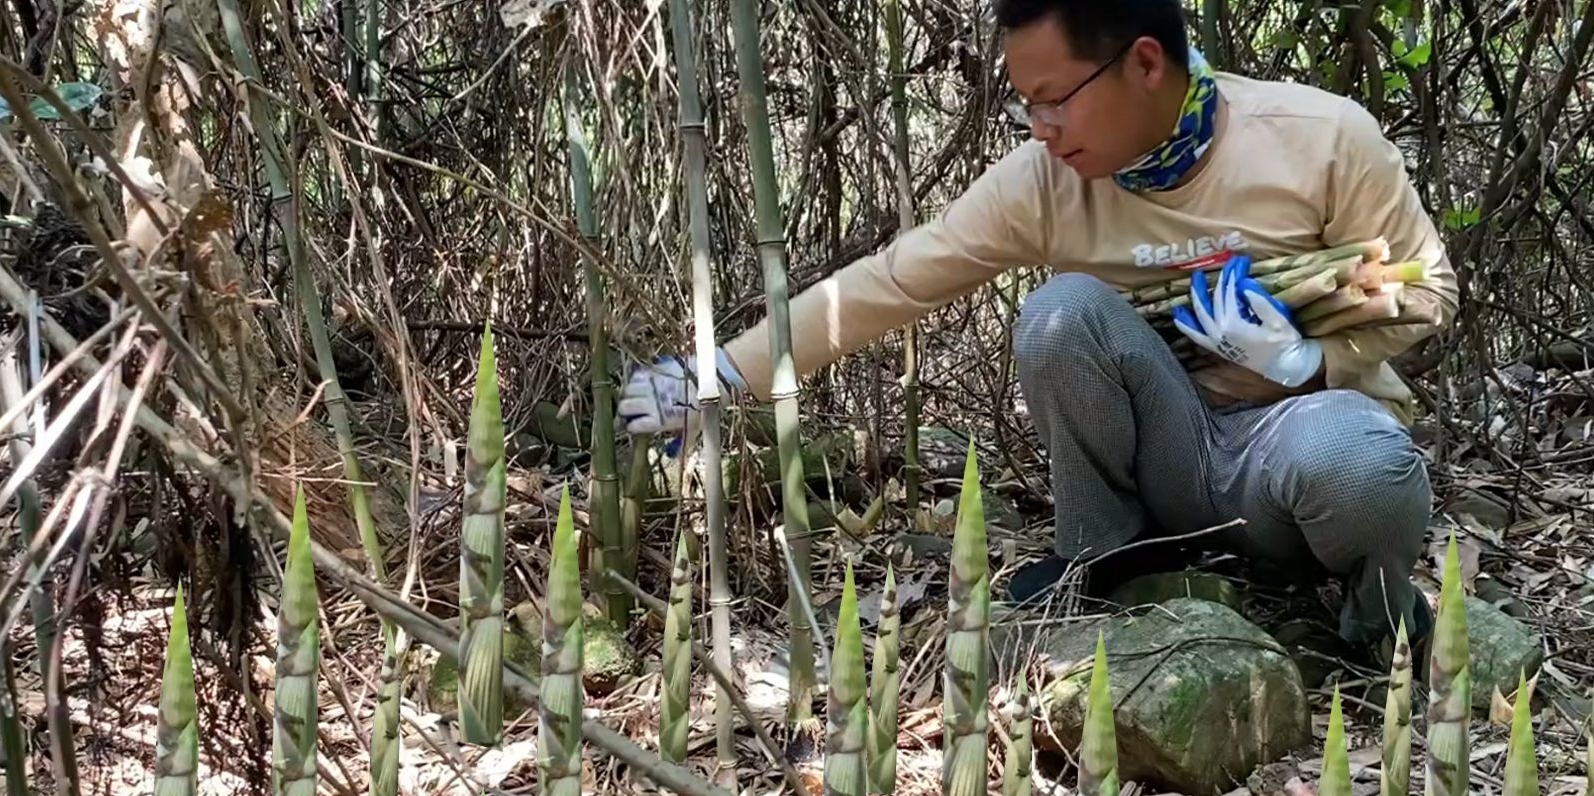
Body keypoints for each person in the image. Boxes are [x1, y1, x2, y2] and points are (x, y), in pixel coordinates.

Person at [619, 0, 1456, 663]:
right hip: (1170, 449)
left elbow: (1432, 290)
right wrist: (720, 374)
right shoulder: (1045, 183)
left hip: (1293, 444)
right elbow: (893, 279)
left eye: (1055, 100)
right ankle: (1104, 554)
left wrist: (1307, 359)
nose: (1040, 128)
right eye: (1027, 104)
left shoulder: (1320, 139)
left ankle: (1370, 610)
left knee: (1364, 466)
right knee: (1063, 313)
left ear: (1144, 61)